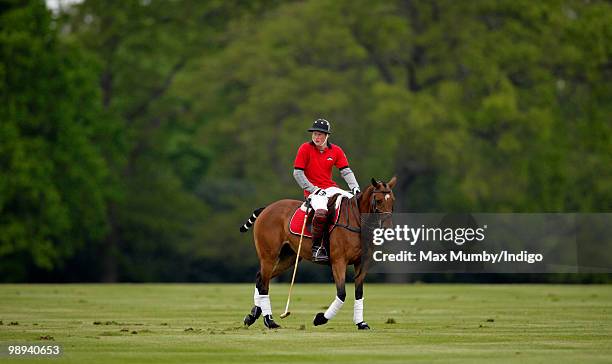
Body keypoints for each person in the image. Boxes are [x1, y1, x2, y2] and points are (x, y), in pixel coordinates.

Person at [293, 118, 360, 262]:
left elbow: (346, 171)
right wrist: (313, 189)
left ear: (327, 136)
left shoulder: (336, 150)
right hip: (313, 191)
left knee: (354, 203)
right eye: (315, 134)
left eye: (320, 134)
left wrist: (355, 188)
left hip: (330, 188)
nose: (317, 137)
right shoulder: (305, 148)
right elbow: (298, 173)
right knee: (322, 211)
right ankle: (317, 248)